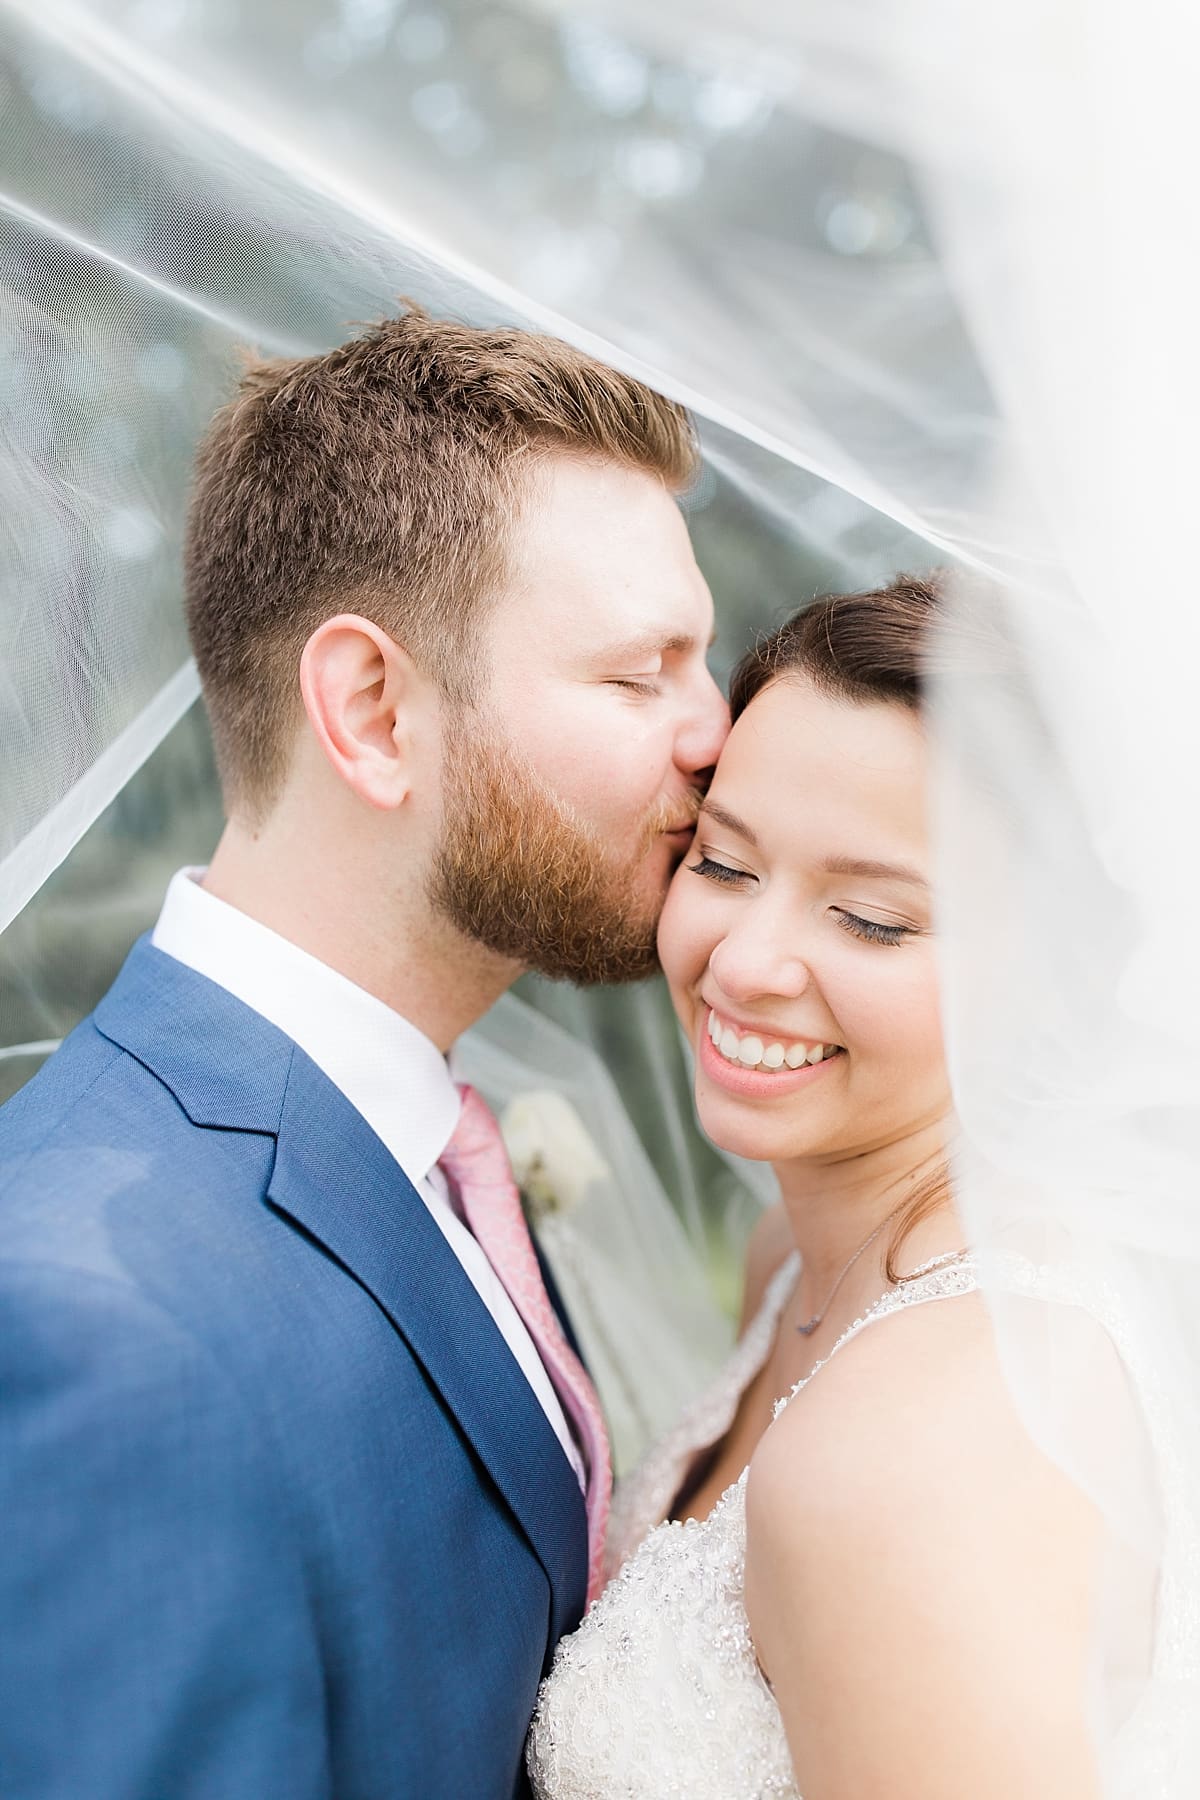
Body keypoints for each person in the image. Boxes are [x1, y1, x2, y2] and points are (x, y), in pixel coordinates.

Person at [0, 307, 728, 1799]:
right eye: (640, 673)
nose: (714, 732)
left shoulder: (428, 1140)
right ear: (375, 711)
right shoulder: (100, 1333)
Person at [528, 573, 1177, 1798]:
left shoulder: (918, 1451)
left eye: (873, 920)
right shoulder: (792, 1262)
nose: (748, 960)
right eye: (723, 863)